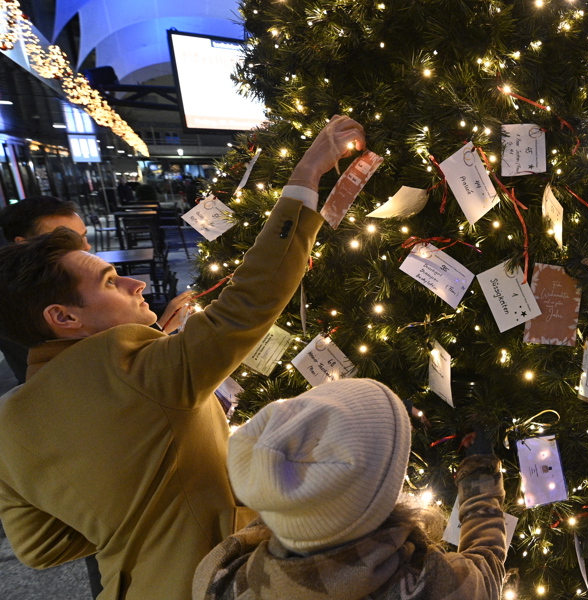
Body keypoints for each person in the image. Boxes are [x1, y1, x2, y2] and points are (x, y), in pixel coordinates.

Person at [0, 115, 366, 600]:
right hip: (221, 581)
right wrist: (306, 174)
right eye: (110, 282)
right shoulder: (131, 364)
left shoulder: (9, 421)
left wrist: (137, 520)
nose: (136, 283)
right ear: (64, 317)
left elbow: (40, 547)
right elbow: (248, 302)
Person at [193, 378, 507, 600]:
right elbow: (487, 567)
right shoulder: (424, 587)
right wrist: (479, 472)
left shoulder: (220, 578)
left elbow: (287, 497)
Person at [0, 196, 190, 385]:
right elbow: (93, 378)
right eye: (62, 239)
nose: (85, 247)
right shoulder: (19, 309)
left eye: (82, 236)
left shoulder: (80, 281)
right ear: (23, 243)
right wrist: (160, 329)